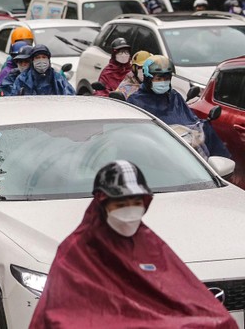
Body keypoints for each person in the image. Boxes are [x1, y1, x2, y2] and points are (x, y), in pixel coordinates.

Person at [30, 161, 236, 328]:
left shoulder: (150, 244)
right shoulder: (77, 252)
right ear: (102, 204)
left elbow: (183, 293)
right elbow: (63, 315)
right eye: (120, 204)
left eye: (136, 203)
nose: (129, 211)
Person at [128, 55, 229, 157]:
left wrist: (200, 129)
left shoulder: (174, 96)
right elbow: (135, 136)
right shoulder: (135, 101)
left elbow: (191, 120)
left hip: (185, 149)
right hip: (155, 153)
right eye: (158, 78)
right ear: (148, 79)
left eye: (166, 78)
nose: (163, 82)